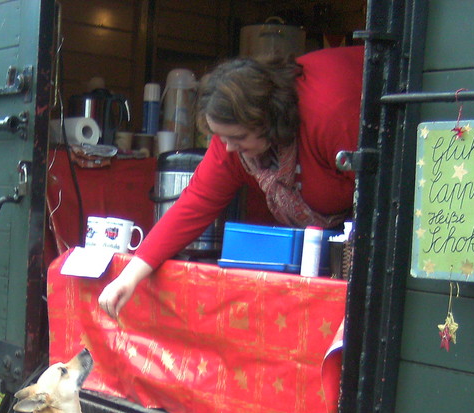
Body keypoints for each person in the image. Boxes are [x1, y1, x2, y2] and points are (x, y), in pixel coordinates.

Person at [98, 45, 364, 319]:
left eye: (237, 139)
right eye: (221, 138)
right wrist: (129, 276)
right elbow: (196, 203)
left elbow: (383, 200)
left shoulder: (330, 116)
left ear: (269, 122)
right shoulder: (235, 134)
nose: (228, 149)